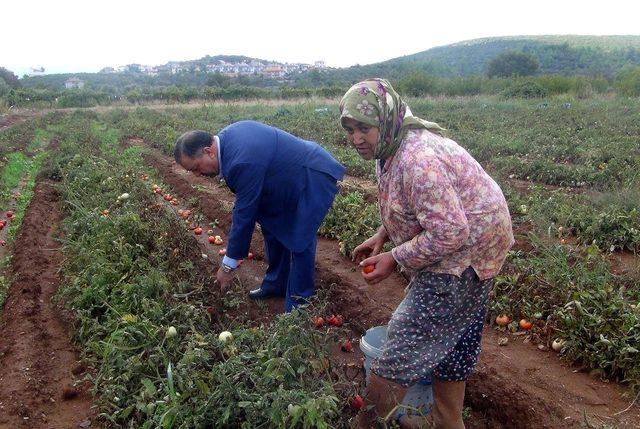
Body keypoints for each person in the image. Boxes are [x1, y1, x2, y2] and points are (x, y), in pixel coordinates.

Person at [340, 79, 514, 429]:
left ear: (385, 120)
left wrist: (395, 257)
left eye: (364, 128)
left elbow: (451, 232)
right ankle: (446, 421)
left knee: (400, 351)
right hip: (472, 248)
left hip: (465, 258)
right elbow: (409, 204)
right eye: (350, 129)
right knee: (452, 343)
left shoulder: (419, 159)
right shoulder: (390, 146)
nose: (356, 138)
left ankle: (366, 426)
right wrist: (382, 234)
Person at [173, 120, 345, 312]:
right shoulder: (226, 141)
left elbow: (245, 212)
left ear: (208, 151)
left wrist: (228, 266)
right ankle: (276, 284)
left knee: (300, 239)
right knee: (272, 228)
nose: (198, 174)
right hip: (283, 179)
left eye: (196, 168)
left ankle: (299, 306)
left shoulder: (241, 160)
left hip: (311, 174)